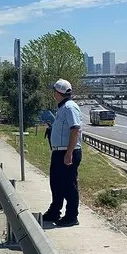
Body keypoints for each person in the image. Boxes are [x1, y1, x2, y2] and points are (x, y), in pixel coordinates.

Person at [42, 79, 83, 227]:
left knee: (68, 185)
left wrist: (69, 153)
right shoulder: (63, 107)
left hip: (67, 151)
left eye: (54, 91)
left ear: (57, 93)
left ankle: (72, 216)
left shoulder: (70, 108)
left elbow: (75, 129)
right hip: (60, 151)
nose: (53, 94)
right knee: (56, 183)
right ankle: (54, 211)